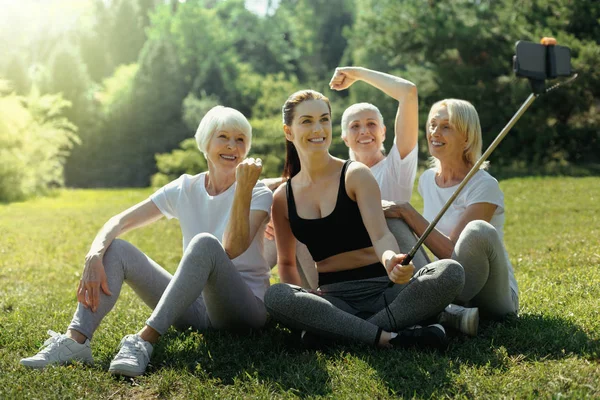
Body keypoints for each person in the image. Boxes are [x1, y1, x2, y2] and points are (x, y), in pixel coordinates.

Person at [20, 106, 273, 376]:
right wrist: (93, 255)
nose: (232, 146)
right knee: (114, 247)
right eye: (223, 137)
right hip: (196, 309)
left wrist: (243, 190)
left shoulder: (257, 192)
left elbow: (231, 249)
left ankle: (143, 340)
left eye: (240, 140)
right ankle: (75, 340)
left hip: (244, 310)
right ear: (206, 142)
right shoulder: (185, 188)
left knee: (205, 244)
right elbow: (119, 221)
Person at [263, 89, 465, 349]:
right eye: (307, 121)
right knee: (277, 295)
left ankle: (341, 332)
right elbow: (287, 262)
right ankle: (393, 336)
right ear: (288, 131)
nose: (318, 128)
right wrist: (304, 297)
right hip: (334, 298)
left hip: (385, 291)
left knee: (449, 272)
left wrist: (391, 259)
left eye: (324, 119)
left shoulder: (355, 175)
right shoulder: (283, 197)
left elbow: (381, 235)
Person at [262, 66, 426, 289]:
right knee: (299, 224)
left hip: (387, 268)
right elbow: (311, 180)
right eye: (355, 126)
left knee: (393, 220)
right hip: (333, 282)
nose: (364, 132)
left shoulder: (392, 168)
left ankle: (426, 306)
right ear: (345, 137)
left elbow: (408, 92)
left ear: (384, 132)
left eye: (371, 124)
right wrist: (273, 193)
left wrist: (356, 74)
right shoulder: (315, 183)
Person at [382, 99, 519, 325]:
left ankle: (434, 308)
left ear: (466, 137)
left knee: (477, 230)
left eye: (446, 126)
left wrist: (407, 211)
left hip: (493, 297)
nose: (435, 132)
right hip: (448, 283)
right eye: (432, 124)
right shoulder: (427, 180)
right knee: (394, 221)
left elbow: (452, 253)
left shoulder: (484, 185)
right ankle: (448, 312)